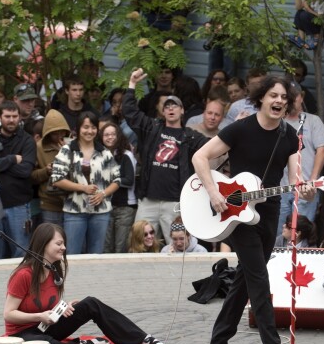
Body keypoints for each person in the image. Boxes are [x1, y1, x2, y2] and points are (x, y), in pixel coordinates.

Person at [191, 75, 312, 344]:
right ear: (261, 98)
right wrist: (214, 192)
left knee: (245, 278)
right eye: (274, 95)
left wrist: (306, 187)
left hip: (268, 212)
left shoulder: (289, 136)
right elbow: (200, 156)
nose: (279, 101)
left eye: (284, 97)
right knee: (259, 282)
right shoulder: (240, 129)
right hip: (238, 213)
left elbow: (296, 176)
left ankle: (217, 343)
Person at [3, 223, 171, 344]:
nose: (64, 248)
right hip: (23, 333)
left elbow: (47, 309)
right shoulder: (23, 275)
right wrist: (40, 316)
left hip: (45, 326)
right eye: (59, 243)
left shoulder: (54, 270)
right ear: (44, 244)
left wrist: (61, 309)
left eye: (64, 244)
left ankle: (142, 340)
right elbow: (9, 314)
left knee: (91, 303)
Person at [123, 69, 209, 245]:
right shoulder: (152, 128)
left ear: (182, 110)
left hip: (175, 204)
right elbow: (130, 113)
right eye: (167, 106)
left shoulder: (190, 136)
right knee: (138, 244)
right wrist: (132, 85)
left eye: (175, 105)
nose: (170, 108)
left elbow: (214, 144)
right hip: (148, 201)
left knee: (179, 246)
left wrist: (236, 130)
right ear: (162, 112)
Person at [50, 112, 120, 254]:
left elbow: (117, 180)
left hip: (101, 211)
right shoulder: (67, 150)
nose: (90, 131)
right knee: (71, 254)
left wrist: (103, 194)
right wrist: (83, 188)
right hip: (74, 210)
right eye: (86, 127)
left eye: (93, 127)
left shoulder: (104, 152)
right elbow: (56, 179)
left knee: (97, 255)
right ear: (78, 128)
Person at [0, 101, 37, 260]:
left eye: (14, 116)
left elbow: (25, 171)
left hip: (19, 204)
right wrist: (12, 159)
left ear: (19, 117)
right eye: (7, 116)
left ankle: (20, 284)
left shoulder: (27, 141)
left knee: (21, 251)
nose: (11, 120)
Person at [276, 81, 324, 235]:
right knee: (279, 234)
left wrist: (313, 179)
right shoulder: (277, 121)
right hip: (280, 187)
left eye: (295, 96)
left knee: (301, 232)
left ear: (302, 97)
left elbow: (321, 149)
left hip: (305, 187)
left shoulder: (313, 120)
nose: (292, 100)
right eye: (289, 97)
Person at [100, 122, 137, 253]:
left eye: (113, 134)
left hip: (124, 207)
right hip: (105, 206)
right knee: (105, 247)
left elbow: (129, 180)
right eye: (106, 135)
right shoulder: (100, 156)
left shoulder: (127, 154)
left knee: (120, 247)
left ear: (119, 136)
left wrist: (112, 181)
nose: (110, 137)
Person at [31, 109, 71, 227]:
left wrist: (68, 151)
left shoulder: (72, 145)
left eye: (61, 132)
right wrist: (46, 171)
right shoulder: (39, 148)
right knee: (52, 239)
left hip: (72, 202)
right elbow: (31, 176)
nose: (59, 136)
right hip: (50, 203)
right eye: (54, 133)